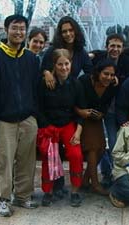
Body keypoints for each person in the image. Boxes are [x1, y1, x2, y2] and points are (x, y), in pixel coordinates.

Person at [0, 14, 39, 217]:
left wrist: (34, 114)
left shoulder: (31, 58)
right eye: (15, 28)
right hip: (5, 120)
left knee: (27, 160)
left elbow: (36, 87)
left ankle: (22, 196)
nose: (19, 32)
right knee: (4, 161)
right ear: (6, 30)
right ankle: (2, 199)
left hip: (27, 119)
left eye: (22, 28)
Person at [37, 49, 85, 207]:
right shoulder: (45, 83)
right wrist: (46, 126)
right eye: (60, 64)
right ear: (54, 65)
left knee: (76, 154)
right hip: (49, 126)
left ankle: (75, 191)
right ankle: (48, 191)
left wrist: (78, 132)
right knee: (48, 156)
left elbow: (80, 110)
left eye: (67, 64)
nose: (64, 68)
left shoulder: (76, 84)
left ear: (71, 64)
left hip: (68, 125)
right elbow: (39, 109)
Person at [90, 33, 129, 188]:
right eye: (112, 45)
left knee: (115, 143)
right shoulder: (98, 58)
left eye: (118, 46)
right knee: (105, 142)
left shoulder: (127, 62)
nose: (115, 49)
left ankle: (117, 173)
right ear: (106, 46)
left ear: (122, 48)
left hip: (119, 108)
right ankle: (107, 173)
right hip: (103, 108)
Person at [76, 59, 118, 195]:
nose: (109, 78)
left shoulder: (112, 86)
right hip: (80, 118)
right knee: (93, 147)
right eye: (106, 74)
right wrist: (80, 112)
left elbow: (105, 106)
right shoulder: (84, 81)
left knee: (101, 149)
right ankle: (95, 184)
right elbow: (72, 100)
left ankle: (85, 179)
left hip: (95, 120)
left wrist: (102, 114)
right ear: (98, 72)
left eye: (112, 75)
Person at [41, 16, 92, 89]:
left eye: (71, 30)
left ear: (76, 31)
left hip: (72, 93)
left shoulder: (81, 52)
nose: (68, 34)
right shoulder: (52, 50)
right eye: (64, 31)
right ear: (60, 34)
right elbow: (42, 69)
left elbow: (90, 72)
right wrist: (46, 73)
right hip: (52, 92)